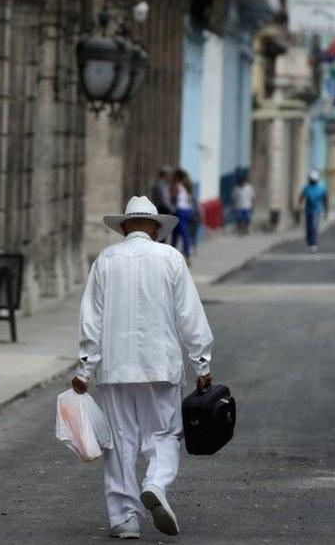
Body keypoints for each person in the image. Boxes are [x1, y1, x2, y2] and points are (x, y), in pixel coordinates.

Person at [72, 195, 214, 539]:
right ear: (155, 228)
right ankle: (155, 483)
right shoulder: (170, 259)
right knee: (165, 433)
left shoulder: (105, 260)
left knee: (120, 441)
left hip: (115, 368)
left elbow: (91, 319)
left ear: (124, 227)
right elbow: (190, 316)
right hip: (160, 365)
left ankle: (124, 519)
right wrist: (202, 363)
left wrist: (84, 369)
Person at [170, 169, 198, 261]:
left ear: (177, 177)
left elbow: (173, 200)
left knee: (179, 234)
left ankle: (185, 256)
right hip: (188, 211)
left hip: (180, 211)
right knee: (179, 233)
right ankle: (183, 254)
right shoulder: (187, 187)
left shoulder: (176, 186)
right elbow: (190, 199)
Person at [298, 170, 328, 253]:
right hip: (308, 210)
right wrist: (299, 206)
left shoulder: (321, 188)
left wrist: (326, 211)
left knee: (314, 227)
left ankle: (313, 244)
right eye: (312, 180)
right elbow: (301, 197)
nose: (313, 182)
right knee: (309, 227)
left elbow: (325, 200)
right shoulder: (307, 188)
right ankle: (309, 240)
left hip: (317, 210)